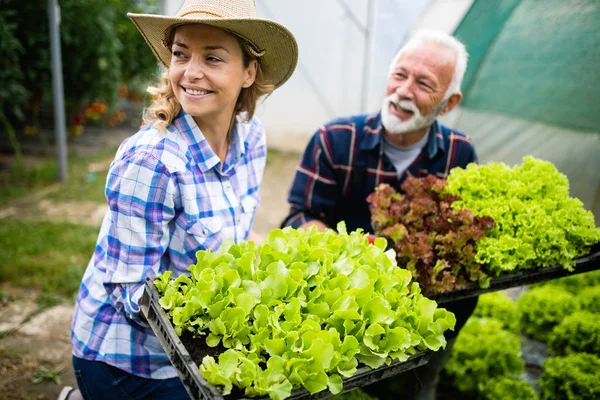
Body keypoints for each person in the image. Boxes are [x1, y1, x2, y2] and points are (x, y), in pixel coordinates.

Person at [69, 1, 298, 399]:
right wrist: (227, 325)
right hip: (127, 362)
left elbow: (233, 236)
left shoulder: (251, 137)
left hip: (189, 352)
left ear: (249, 72)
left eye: (212, 57)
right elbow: (132, 295)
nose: (191, 72)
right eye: (180, 54)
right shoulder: (154, 161)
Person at [281, 30, 476, 400]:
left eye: (424, 84)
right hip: (340, 323)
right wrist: (353, 253)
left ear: (448, 104)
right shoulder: (335, 139)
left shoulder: (459, 153)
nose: (403, 90)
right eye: (399, 74)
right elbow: (299, 216)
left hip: (423, 321)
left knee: (418, 389)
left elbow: (461, 238)